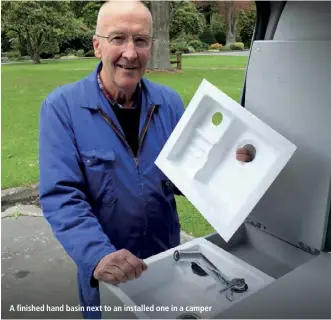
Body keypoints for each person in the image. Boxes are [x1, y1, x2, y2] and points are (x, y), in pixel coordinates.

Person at [39, 1, 252, 319]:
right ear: (97, 45)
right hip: (107, 271)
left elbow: (186, 172)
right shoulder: (62, 108)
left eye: (140, 40)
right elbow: (62, 197)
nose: (130, 52)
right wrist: (97, 255)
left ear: (150, 47)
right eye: (118, 38)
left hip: (168, 261)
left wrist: (227, 162)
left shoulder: (168, 102)